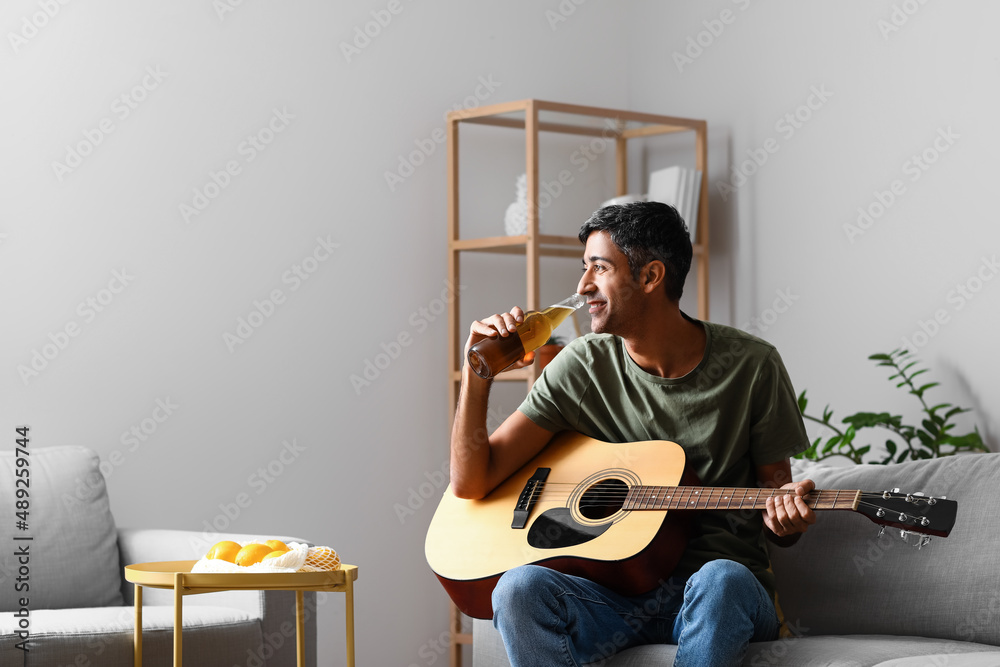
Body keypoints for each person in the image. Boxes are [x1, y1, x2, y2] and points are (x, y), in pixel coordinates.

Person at [449, 201, 816, 667]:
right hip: (613, 597)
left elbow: (775, 497)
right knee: (520, 587)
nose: (582, 287)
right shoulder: (582, 365)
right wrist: (476, 372)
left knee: (722, 578)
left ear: (650, 277)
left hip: (718, 595)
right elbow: (471, 481)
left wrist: (786, 519)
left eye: (599, 269)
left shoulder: (753, 365)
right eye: (585, 269)